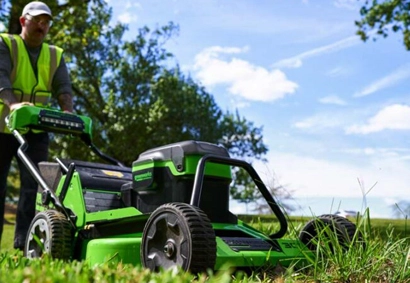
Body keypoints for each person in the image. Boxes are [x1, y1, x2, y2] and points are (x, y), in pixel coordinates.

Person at [0, 1, 73, 250]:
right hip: (3, 128)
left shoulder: (55, 54)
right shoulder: (6, 43)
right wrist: (11, 104)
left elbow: (63, 87)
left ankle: (23, 245)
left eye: (46, 22)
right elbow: (0, 75)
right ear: (23, 21)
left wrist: (68, 112)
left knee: (34, 189)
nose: (42, 25)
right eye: (37, 20)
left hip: (36, 132)